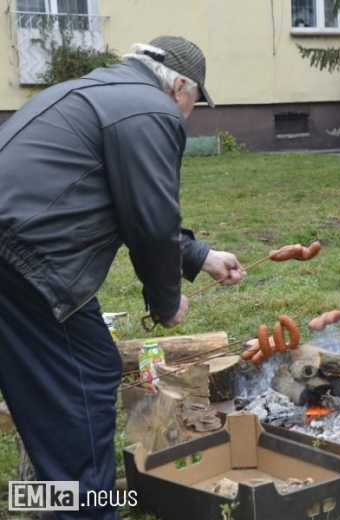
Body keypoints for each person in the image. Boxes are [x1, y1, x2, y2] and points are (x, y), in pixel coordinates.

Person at [0, 36, 245, 518]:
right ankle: (84, 508)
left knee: (57, 376)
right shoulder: (152, 111)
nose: (190, 115)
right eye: (195, 102)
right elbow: (151, 224)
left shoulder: (101, 90)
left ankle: (49, 498)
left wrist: (201, 256)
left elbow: (129, 202)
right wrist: (165, 302)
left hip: (17, 251)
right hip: (28, 258)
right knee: (85, 374)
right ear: (179, 85)